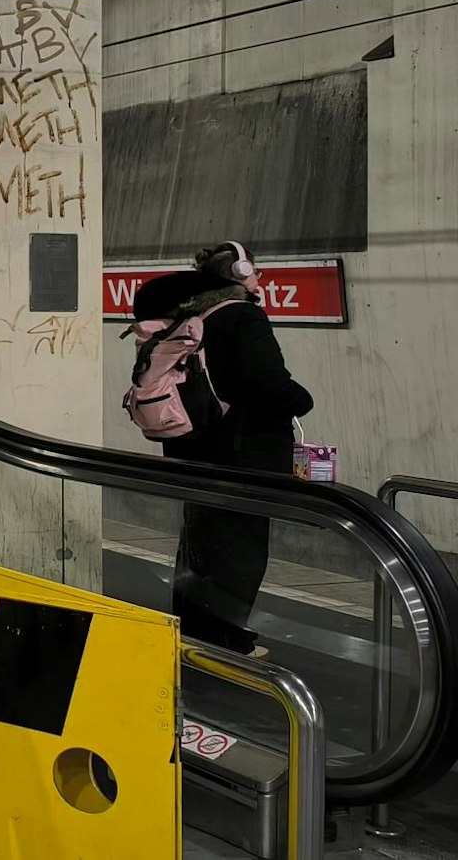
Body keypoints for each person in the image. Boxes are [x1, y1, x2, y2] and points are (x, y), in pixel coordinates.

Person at [131, 241, 314, 655]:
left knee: (200, 544)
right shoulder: (244, 317)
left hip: (197, 449)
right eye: (255, 272)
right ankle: (227, 641)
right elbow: (266, 382)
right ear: (241, 273)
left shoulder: (192, 315)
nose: (260, 279)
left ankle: (192, 632)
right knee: (241, 550)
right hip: (243, 453)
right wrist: (302, 400)